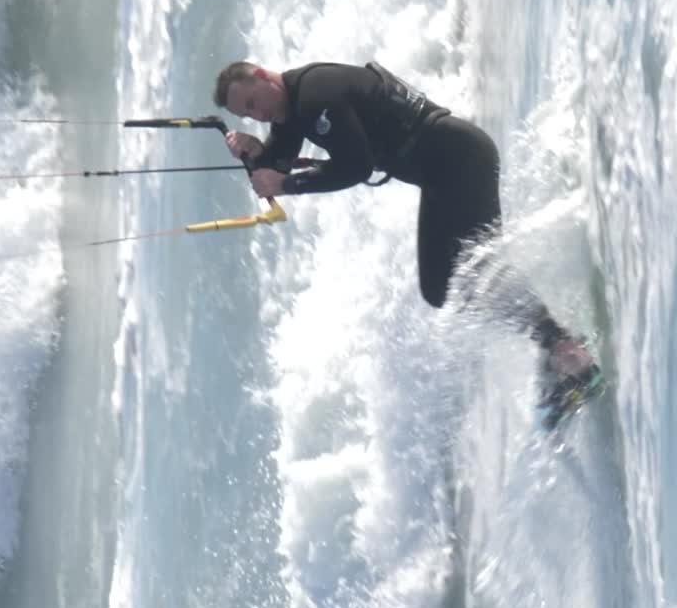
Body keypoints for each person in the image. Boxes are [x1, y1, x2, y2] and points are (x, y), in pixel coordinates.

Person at [213, 60, 595, 378]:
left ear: (262, 75)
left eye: (252, 101)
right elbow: (273, 168)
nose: (257, 113)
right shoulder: (291, 110)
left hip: (461, 160)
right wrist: (253, 152)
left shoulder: (316, 94)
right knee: (442, 286)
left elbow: (356, 167)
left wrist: (289, 185)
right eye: (247, 113)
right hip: (442, 174)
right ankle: (555, 343)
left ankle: (564, 348)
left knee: (476, 271)